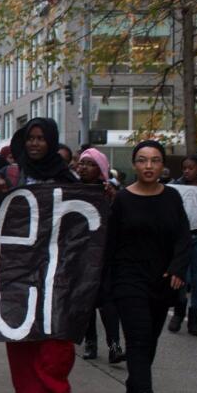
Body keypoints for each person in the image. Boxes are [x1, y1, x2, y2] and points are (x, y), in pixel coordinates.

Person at [0, 117, 77, 393]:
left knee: (56, 335)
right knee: (21, 332)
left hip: (55, 269)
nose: (35, 143)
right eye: (30, 138)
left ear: (51, 141)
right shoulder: (10, 174)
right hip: (17, 267)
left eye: (41, 138)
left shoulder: (69, 179)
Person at [106, 140, 190, 393]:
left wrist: (178, 267)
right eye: (142, 160)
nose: (149, 166)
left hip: (162, 281)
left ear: (162, 165)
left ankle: (133, 386)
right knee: (139, 339)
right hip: (129, 280)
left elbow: (183, 236)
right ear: (135, 164)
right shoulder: (123, 200)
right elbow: (110, 243)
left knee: (150, 339)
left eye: (155, 160)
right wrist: (106, 282)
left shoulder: (172, 198)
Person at [75, 148, 122, 362]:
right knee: (87, 301)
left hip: (104, 255)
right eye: (82, 163)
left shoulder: (109, 193)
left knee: (107, 301)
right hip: (79, 255)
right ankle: (90, 343)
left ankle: (114, 346)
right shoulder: (72, 190)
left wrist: (113, 200)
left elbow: (121, 221)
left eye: (90, 164)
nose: (83, 167)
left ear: (101, 169)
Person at [168, 155, 197, 337]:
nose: (187, 171)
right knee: (182, 277)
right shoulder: (177, 187)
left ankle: (195, 318)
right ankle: (178, 312)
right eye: (184, 168)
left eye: (191, 168)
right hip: (182, 238)